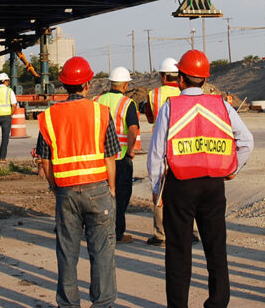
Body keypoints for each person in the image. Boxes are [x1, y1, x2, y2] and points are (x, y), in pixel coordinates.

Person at [147, 49, 254, 308]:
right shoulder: (222, 105)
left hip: (180, 185)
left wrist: (157, 190)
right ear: (205, 80)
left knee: (178, 251)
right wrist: (231, 169)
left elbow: (157, 155)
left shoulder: (171, 107)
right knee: (216, 246)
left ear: (180, 79)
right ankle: (218, 302)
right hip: (213, 185)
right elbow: (246, 141)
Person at [36, 56, 119, 308]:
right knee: (102, 251)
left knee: (67, 252)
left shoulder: (49, 116)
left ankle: (69, 304)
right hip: (98, 189)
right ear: (88, 84)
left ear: (64, 85)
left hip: (66, 193)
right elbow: (110, 157)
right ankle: (102, 304)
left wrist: (54, 186)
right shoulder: (101, 112)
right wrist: (112, 189)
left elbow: (46, 162)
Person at [96, 66, 140, 244]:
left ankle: (99, 229)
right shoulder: (127, 103)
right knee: (121, 196)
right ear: (125, 85)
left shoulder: (97, 99)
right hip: (120, 156)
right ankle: (118, 233)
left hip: (100, 156)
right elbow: (133, 128)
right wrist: (130, 150)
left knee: (101, 195)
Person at [143, 57, 180, 245]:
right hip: (183, 147)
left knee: (159, 189)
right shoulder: (185, 91)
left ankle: (161, 234)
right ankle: (190, 232)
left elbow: (150, 118)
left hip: (161, 146)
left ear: (163, 76)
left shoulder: (153, 94)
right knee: (186, 190)